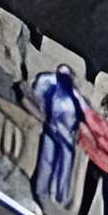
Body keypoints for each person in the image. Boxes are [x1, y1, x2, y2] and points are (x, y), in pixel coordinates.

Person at [31, 66, 85, 207]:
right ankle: (41, 192)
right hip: (53, 130)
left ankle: (60, 196)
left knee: (65, 165)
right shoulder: (51, 86)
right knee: (47, 160)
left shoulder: (74, 97)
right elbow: (37, 91)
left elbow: (84, 113)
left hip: (66, 136)